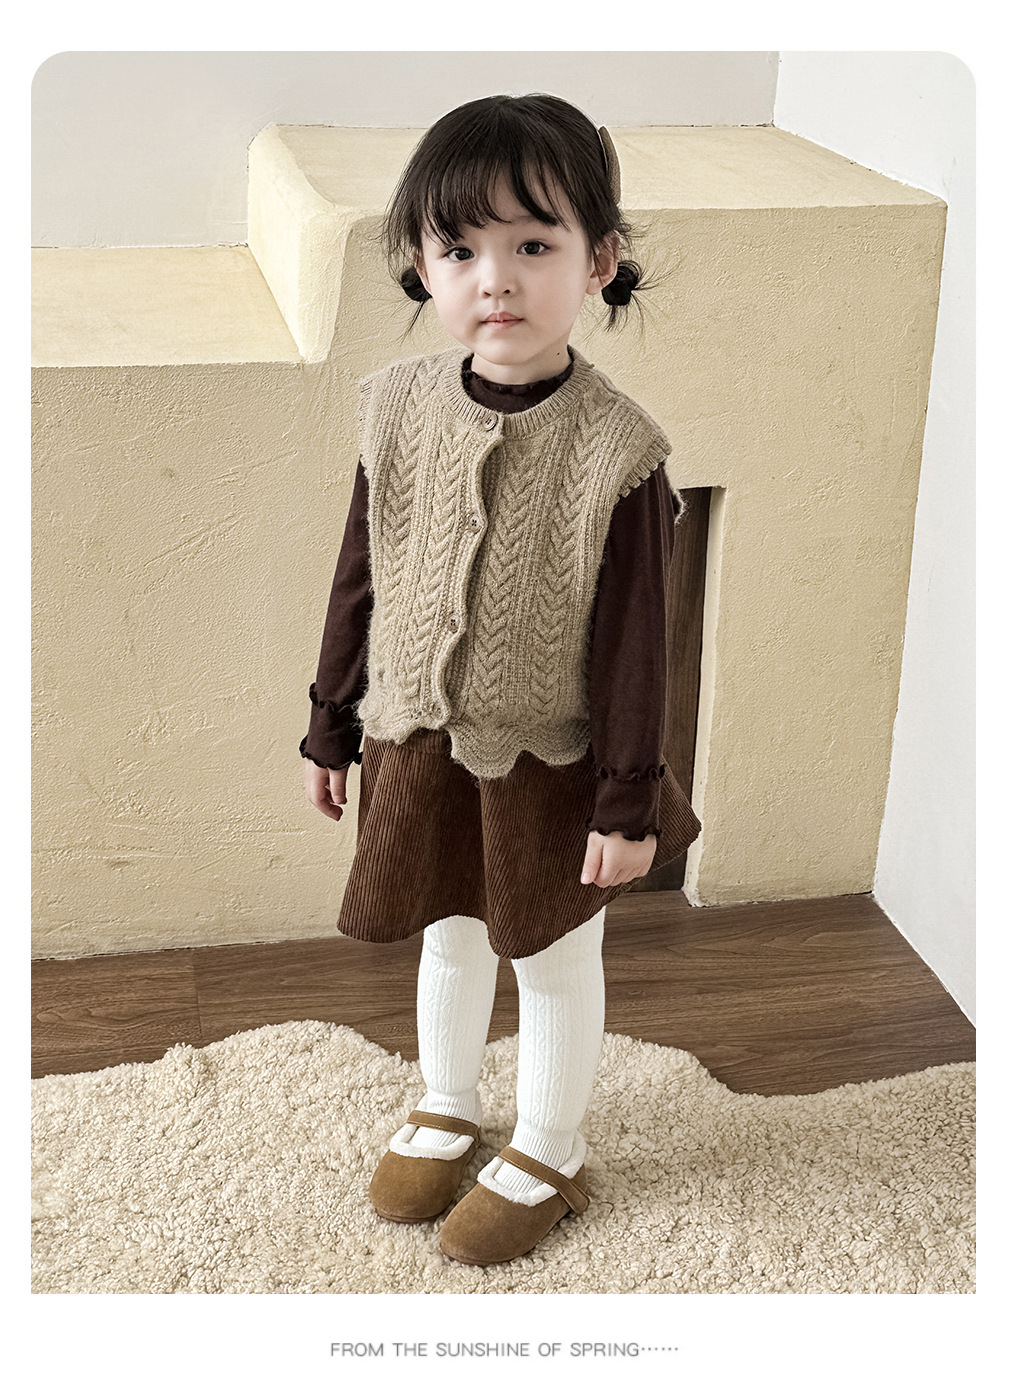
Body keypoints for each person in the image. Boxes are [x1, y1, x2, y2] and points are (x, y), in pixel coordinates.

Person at [301, 93, 702, 1266]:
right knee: (449, 934)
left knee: (552, 957)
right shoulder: (395, 410)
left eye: (533, 245)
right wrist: (330, 725)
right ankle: (447, 1105)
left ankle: (550, 1144)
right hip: (418, 738)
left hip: (551, 761)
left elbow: (638, 647)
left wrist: (627, 804)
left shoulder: (619, 451)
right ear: (422, 267)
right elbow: (361, 576)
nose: (497, 280)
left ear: (597, 262)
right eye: (460, 250)